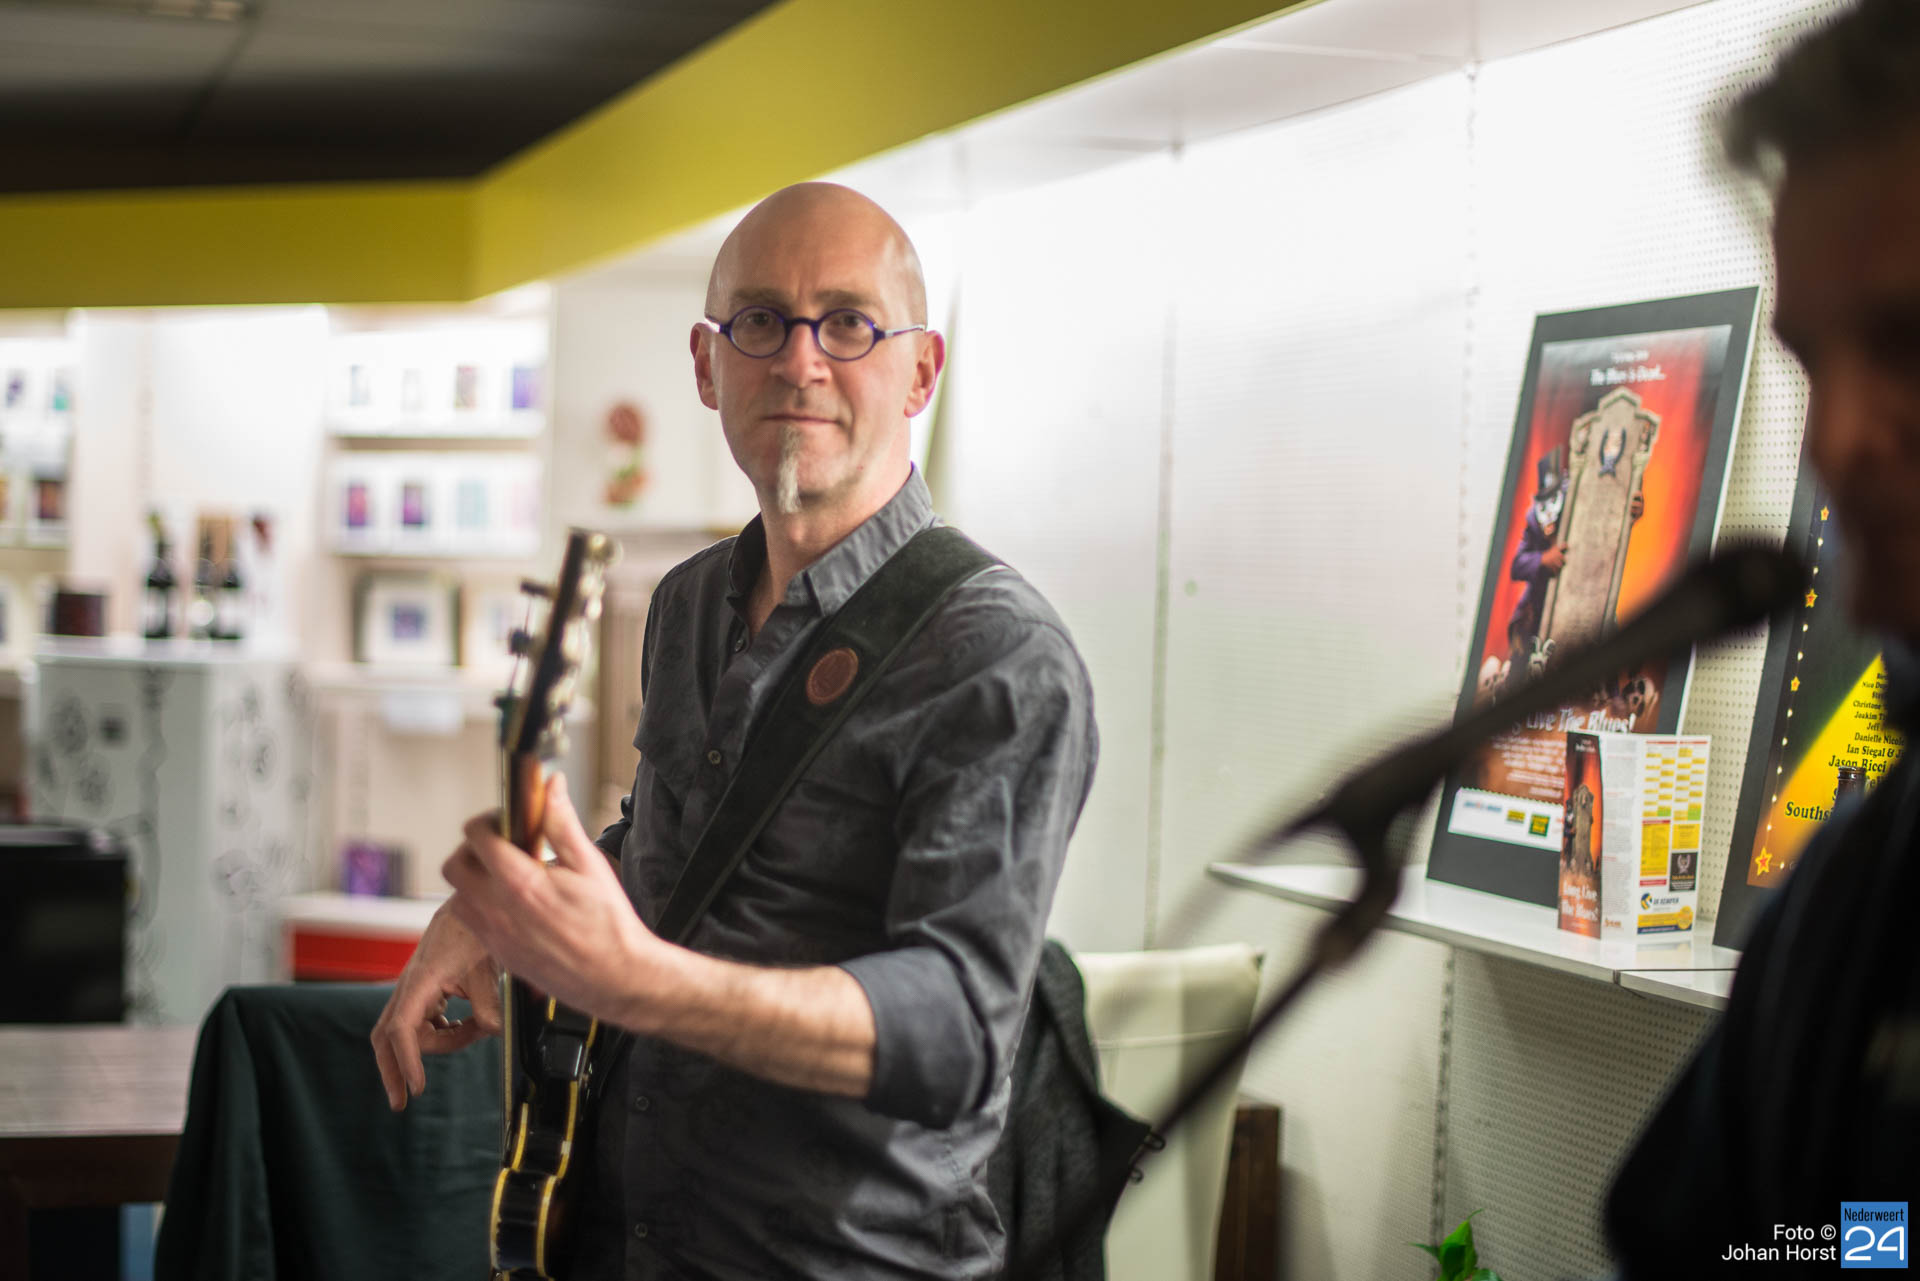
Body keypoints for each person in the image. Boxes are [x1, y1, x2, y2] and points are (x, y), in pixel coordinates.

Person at [370, 182, 1098, 1280]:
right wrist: (498, 913)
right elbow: (667, 846)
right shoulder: (687, 602)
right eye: (761, 320)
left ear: (921, 371)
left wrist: (639, 980)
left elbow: (958, 1030)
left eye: (849, 323)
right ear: (708, 366)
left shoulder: (995, 654)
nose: (801, 361)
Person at [1605, 1, 1920, 1272]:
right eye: (1811, 362)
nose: (1835, 441)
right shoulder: (1865, 886)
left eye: (1909, 345)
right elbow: (1761, 1244)